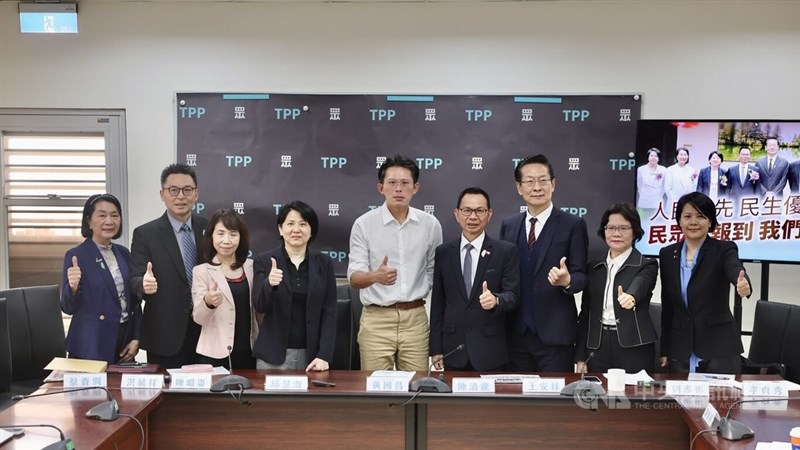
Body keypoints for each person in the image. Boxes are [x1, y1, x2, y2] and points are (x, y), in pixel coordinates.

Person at [347, 155, 443, 371]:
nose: (398, 188)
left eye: (405, 183)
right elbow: (354, 278)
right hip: (376, 318)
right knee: (375, 390)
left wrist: (420, 291)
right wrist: (375, 276)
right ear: (381, 188)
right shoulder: (364, 224)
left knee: (417, 388)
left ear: (415, 187)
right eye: (392, 183)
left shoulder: (430, 224)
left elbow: (433, 270)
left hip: (416, 318)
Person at [499, 154, 588, 372]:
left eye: (543, 180)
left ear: (553, 184)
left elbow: (581, 276)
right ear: (519, 187)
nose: (537, 187)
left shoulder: (573, 224)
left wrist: (567, 281)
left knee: (553, 404)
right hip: (515, 335)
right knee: (515, 402)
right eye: (529, 181)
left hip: (554, 338)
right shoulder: (509, 225)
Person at [658, 192, 752, 374]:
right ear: (679, 221)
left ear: (710, 222)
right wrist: (665, 349)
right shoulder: (667, 254)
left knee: (722, 401)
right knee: (678, 402)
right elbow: (668, 306)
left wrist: (742, 282)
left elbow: (734, 267)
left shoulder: (723, 249)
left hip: (718, 348)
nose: (693, 222)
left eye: (701, 216)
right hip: (680, 350)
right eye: (687, 216)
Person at [429, 187, 520, 372]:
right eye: (467, 211)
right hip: (453, 349)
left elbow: (513, 295)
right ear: (457, 214)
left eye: (480, 211)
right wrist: (436, 348)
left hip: (490, 350)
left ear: (489, 214)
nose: (473, 217)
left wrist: (496, 300)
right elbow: (438, 304)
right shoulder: (444, 253)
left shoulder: (505, 251)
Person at [130, 163, 207, 368]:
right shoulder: (145, 234)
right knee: (167, 396)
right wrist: (143, 285)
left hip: (207, 333)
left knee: (207, 397)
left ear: (196, 194)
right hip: (164, 335)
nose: (180, 196)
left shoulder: (210, 229)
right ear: (162, 194)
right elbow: (135, 277)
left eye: (187, 190)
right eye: (173, 190)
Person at [252, 201, 336, 371]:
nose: (296, 230)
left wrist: (324, 355)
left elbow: (330, 312)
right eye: (290, 224)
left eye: (303, 224)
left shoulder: (324, 263)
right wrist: (269, 284)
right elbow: (259, 306)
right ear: (280, 229)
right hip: (273, 356)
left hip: (312, 357)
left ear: (311, 230)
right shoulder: (264, 260)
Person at [576, 203, 658, 374]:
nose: (616, 233)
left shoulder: (646, 264)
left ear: (635, 231)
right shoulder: (593, 267)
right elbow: (586, 314)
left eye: (624, 228)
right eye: (611, 227)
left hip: (634, 346)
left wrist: (631, 296)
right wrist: (580, 357)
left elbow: (643, 283)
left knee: (634, 397)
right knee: (597, 396)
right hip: (597, 347)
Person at [60, 194, 141, 364]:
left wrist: (136, 337)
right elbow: (68, 307)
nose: (109, 221)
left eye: (114, 215)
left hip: (123, 343)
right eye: (102, 215)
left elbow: (135, 302)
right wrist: (73, 287)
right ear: (89, 221)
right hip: (91, 343)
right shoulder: (76, 255)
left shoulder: (124, 253)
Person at [191, 209, 257, 369]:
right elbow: (199, 319)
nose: (226, 240)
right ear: (211, 236)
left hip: (249, 351)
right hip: (214, 353)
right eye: (220, 233)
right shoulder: (202, 271)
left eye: (233, 234)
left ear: (241, 237)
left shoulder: (252, 266)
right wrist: (208, 303)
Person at [664, 147, 698, 216]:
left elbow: (694, 186)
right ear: (677, 156)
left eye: (685, 155)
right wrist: (676, 201)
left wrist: (690, 199)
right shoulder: (670, 170)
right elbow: (667, 188)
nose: (683, 157)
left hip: (688, 203)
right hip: (674, 203)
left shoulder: (691, 169)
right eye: (681, 155)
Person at [636, 148, 667, 218]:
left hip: (657, 199)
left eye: (656, 156)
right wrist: (644, 194)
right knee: (642, 221)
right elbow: (639, 185)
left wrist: (658, 194)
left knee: (656, 221)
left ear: (659, 158)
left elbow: (664, 185)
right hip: (644, 199)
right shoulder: (641, 169)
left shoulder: (663, 170)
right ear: (648, 157)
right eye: (652, 156)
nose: (654, 158)